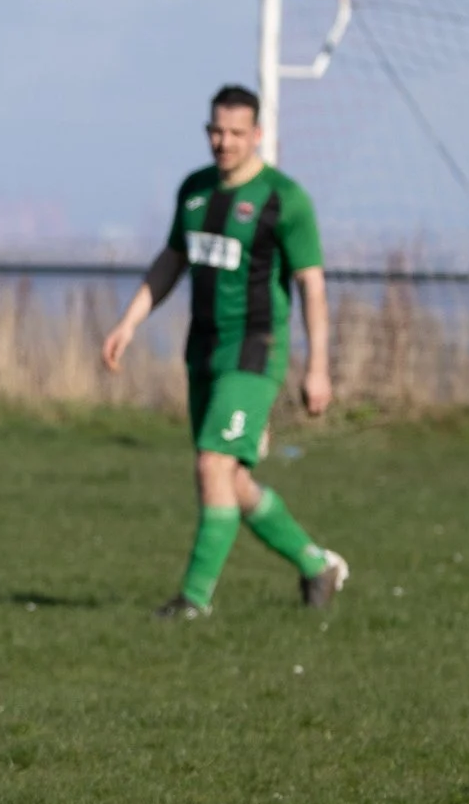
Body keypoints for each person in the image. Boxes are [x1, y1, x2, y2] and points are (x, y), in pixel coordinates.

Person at [102, 84, 348, 617]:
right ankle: (315, 565)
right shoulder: (194, 192)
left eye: (237, 132)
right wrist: (128, 322)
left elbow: (312, 285)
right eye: (216, 130)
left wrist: (318, 368)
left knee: (212, 464)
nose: (225, 142)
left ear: (257, 134)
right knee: (231, 479)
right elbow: (171, 261)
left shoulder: (284, 198)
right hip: (204, 352)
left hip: (255, 351)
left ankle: (193, 600)